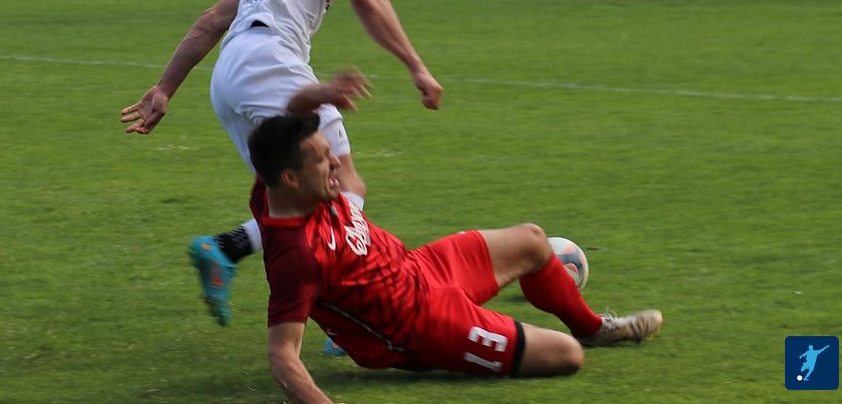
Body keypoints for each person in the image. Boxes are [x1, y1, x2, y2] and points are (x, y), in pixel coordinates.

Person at [120, 0, 444, 329]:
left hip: (229, 75)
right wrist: (417, 66)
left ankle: (236, 255)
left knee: (297, 201)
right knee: (346, 187)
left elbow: (212, 19)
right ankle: (350, 311)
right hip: (270, 62)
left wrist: (165, 87)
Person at [246, 81, 663, 403]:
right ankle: (489, 344)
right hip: (422, 326)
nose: (336, 162)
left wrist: (322, 94)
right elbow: (282, 354)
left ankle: (594, 329)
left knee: (534, 241)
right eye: (323, 160)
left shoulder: (275, 184)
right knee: (566, 356)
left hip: (420, 268)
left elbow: (291, 116)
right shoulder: (297, 256)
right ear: (291, 178)